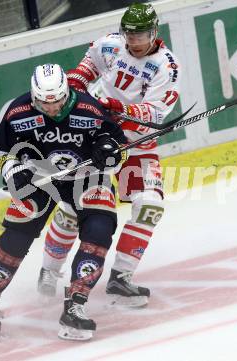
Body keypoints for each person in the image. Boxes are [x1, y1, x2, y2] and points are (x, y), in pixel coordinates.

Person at [37, 3, 181, 307]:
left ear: (154, 31)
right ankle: (49, 271)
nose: (135, 40)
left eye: (141, 34)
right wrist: (76, 88)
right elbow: (85, 69)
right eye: (130, 33)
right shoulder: (110, 45)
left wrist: (121, 109)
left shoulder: (167, 66)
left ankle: (120, 278)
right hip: (95, 138)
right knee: (74, 209)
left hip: (135, 143)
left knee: (150, 205)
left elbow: (153, 115)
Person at [0, 63, 127, 341]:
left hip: (86, 176)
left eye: (57, 100)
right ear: (34, 96)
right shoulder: (18, 111)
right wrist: (12, 170)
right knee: (17, 234)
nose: (52, 107)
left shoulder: (89, 108)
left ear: (66, 91)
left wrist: (110, 153)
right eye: (44, 102)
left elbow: (119, 145)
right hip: (39, 178)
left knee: (100, 228)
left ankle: (76, 306)